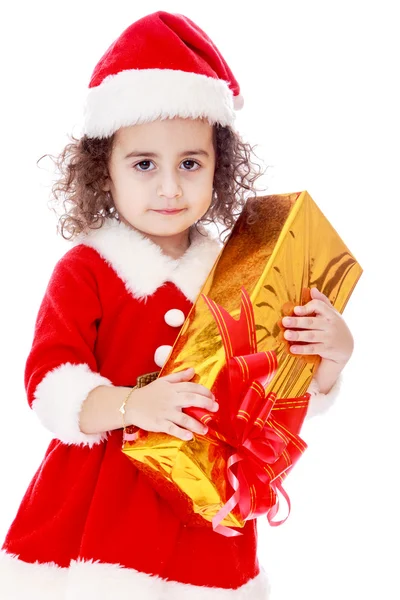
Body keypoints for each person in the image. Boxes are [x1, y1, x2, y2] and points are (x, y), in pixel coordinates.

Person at [0, 10, 354, 599]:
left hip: (204, 526)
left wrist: (332, 360)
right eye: (144, 165)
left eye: (190, 164)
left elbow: (268, 402)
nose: (170, 187)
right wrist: (135, 403)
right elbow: (49, 388)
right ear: (102, 172)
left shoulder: (241, 273)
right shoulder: (88, 269)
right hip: (99, 516)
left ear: (219, 167)